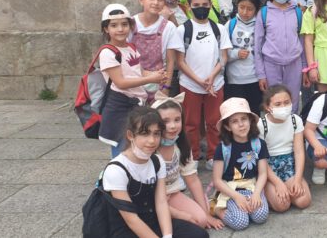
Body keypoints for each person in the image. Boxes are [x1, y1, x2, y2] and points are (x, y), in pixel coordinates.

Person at [101, 107, 208, 238]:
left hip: (151, 219)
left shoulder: (157, 161)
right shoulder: (116, 170)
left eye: (156, 133)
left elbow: (161, 202)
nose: (152, 140)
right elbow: (131, 219)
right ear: (130, 135)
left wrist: (167, 235)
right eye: (145, 134)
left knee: (199, 234)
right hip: (125, 228)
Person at [174, 0, 232, 171]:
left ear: (210, 4)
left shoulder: (219, 29)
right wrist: (199, 80)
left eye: (205, 4)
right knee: (190, 124)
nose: (202, 7)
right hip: (190, 84)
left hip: (215, 84)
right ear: (189, 7)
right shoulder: (183, 30)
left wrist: (211, 76)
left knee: (215, 122)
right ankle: (192, 155)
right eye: (197, 4)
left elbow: (224, 57)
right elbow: (180, 61)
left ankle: (213, 155)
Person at [98, 4, 165, 157]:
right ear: (106, 29)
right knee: (122, 148)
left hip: (136, 104)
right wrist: (150, 78)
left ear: (130, 26)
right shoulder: (107, 52)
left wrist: (156, 74)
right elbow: (120, 82)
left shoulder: (131, 47)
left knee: (137, 144)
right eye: (114, 25)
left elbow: (139, 72)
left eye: (124, 24)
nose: (120, 29)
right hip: (119, 106)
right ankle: (115, 178)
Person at [152, 94, 223, 230]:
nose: (172, 126)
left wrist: (206, 214)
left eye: (177, 120)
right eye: (165, 121)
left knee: (201, 220)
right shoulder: (149, 148)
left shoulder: (182, 146)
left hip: (172, 194)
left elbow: (193, 180)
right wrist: (179, 214)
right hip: (150, 199)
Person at [211, 98, 270, 231]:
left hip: (252, 187)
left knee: (261, 216)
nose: (241, 124)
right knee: (241, 222)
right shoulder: (223, 148)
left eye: (244, 119)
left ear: (250, 120)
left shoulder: (258, 144)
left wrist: (256, 194)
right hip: (231, 190)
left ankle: (246, 207)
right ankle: (218, 210)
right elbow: (217, 180)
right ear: (227, 126)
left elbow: (263, 173)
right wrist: (237, 197)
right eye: (234, 121)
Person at [254, 0, 307, 113]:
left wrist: (305, 69)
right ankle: (274, 133)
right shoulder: (263, 13)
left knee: (293, 102)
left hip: (294, 65)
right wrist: (261, 75)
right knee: (273, 103)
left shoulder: (297, 12)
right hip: (271, 65)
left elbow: (302, 41)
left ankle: (293, 132)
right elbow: (257, 46)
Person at [258, 85, 312, 211]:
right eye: (277, 104)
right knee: (282, 206)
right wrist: (278, 183)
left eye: (286, 102)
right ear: (268, 107)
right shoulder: (261, 125)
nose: (283, 107)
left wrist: (297, 179)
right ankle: (266, 189)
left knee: (304, 201)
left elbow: (299, 152)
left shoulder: (295, 120)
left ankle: (291, 187)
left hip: (289, 164)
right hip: (268, 167)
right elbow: (261, 158)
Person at [130, 0, 180, 103]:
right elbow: (124, 56)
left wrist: (166, 88)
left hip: (159, 83)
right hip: (133, 83)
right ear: (141, 0)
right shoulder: (130, 24)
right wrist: (144, 73)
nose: (156, 2)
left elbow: (170, 61)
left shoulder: (169, 27)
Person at [225, 0, 262, 114]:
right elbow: (222, 53)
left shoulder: (261, 25)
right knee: (238, 113)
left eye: (250, 9)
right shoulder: (230, 25)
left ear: (256, 9)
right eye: (242, 7)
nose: (245, 12)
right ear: (237, 6)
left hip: (255, 79)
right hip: (235, 80)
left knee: (254, 112)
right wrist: (235, 54)